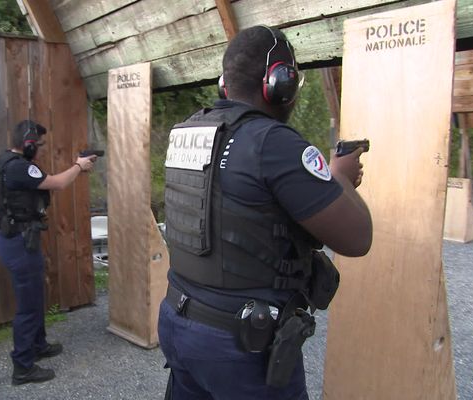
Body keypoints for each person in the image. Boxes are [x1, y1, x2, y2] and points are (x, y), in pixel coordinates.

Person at [158, 26, 372, 399]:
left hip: (179, 320)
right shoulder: (273, 143)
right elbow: (357, 238)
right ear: (279, 83)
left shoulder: (190, 130)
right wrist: (338, 178)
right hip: (239, 345)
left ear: (226, 84)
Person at [0, 120, 96, 385]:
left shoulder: (6, 162)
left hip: (15, 240)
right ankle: (23, 367)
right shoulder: (19, 169)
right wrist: (79, 167)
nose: (40, 150)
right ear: (27, 145)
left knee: (35, 296)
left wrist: (76, 165)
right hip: (19, 244)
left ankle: (38, 345)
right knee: (28, 306)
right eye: (37, 145)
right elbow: (57, 183)